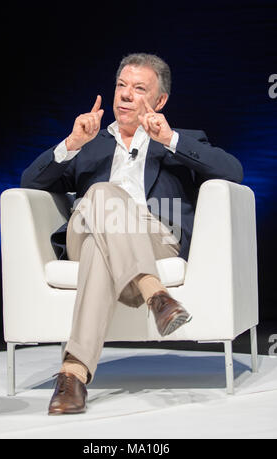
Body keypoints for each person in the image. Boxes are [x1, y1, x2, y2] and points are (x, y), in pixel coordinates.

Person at [20, 53, 243, 415]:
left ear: (160, 101)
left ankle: (72, 376)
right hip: (86, 225)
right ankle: (156, 295)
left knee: (98, 247)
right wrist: (72, 143)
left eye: (139, 88)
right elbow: (28, 183)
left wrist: (169, 138)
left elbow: (233, 172)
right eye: (121, 86)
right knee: (102, 194)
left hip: (156, 237)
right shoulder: (89, 143)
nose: (125, 95)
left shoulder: (181, 139)